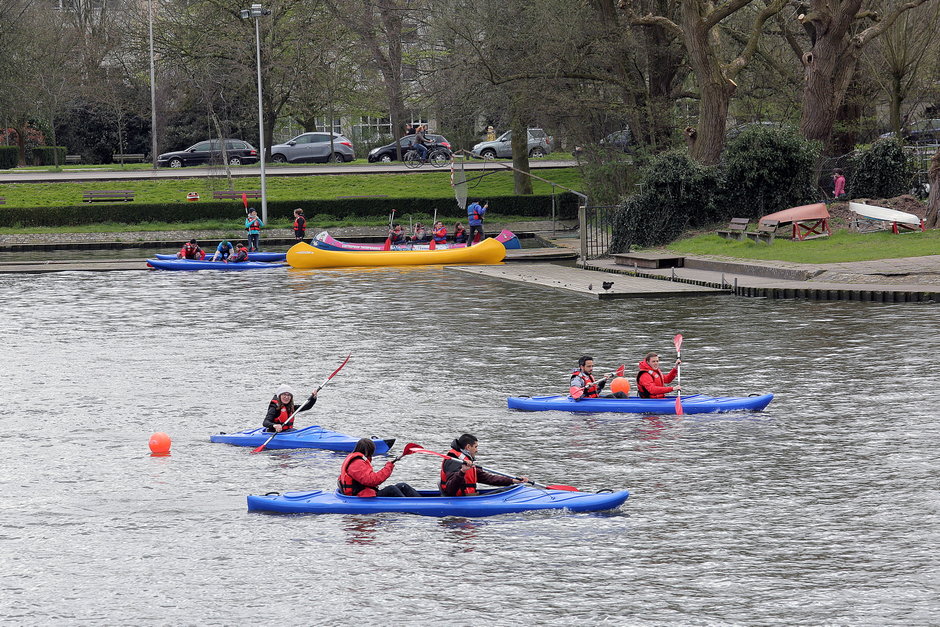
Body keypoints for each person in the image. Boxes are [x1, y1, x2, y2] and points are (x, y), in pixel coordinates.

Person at [440, 434, 528, 496]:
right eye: (476, 447)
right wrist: (462, 472)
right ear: (468, 447)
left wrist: (512, 481)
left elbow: (488, 478)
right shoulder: (453, 461)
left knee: (503, 490)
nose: (477, 450)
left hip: (467, 497)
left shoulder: (465, 461)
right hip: (457, 500)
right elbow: (450, 490)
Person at [338, 438, 420, 497]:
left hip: (366, 493)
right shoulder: (356, 464)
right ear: (368, 451)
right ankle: (409, 505)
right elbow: (372, 481)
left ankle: (421, 501)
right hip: (360, 497)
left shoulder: (358, 461)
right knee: (392, 489)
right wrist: (388, 468)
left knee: (402, 486)